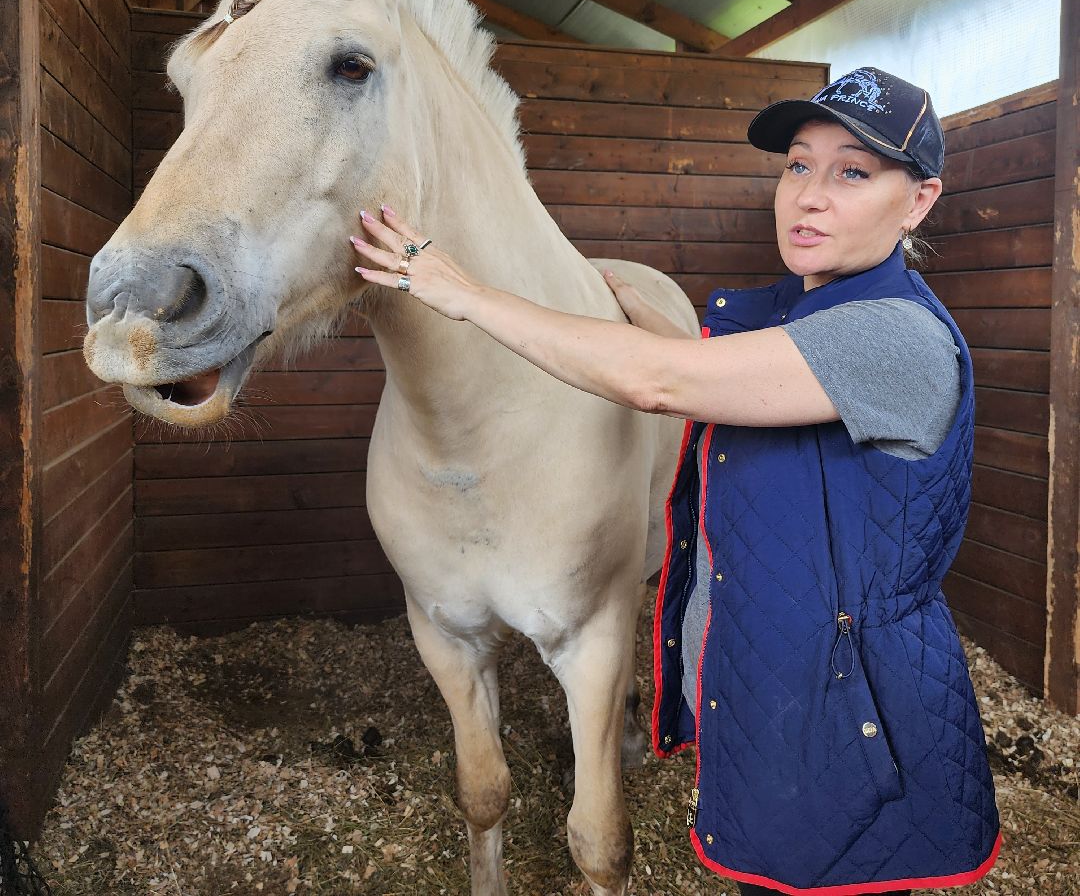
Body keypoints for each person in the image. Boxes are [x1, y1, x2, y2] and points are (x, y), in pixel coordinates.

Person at [350, 67, 1001, 895]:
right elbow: (723, 377)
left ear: (918, 201)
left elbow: (661, 384)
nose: (807, 197)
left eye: (853, 173)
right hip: (795, 697)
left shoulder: (895, 338)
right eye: (797, 165)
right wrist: (659, 326)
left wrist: (463, 292)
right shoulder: (805, 316)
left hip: (850, 724)